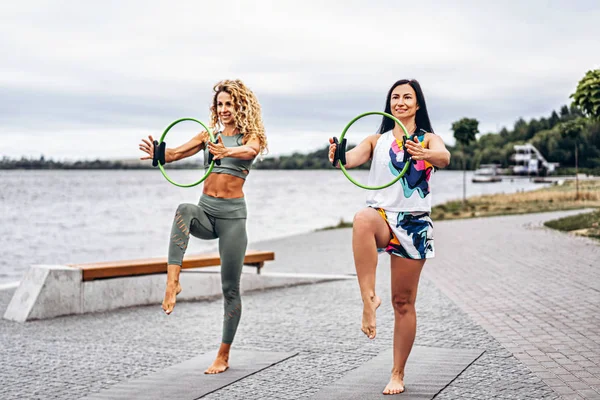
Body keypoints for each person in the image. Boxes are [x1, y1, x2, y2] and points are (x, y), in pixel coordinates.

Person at [328, 79, 450, 395]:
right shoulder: (377, 140)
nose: (400, 102)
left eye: (407, 97)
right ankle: (369, 298)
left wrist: (423, 151)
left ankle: (397, 373)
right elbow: (351, 159)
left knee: (403, 302)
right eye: (395, 97)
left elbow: (444, 158)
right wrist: (337, 153)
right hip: (382, 217)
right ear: (389, 103)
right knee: (362, 218)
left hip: (414, 224)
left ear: (418, 104)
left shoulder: (429, 138)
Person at [138, 79, 267, 374]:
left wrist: (226, 153)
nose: (223, 110)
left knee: (230, 288)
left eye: (229, 104)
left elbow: (250, 151)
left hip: (233, 218)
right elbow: (176, 154)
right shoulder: (209, 135)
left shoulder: (252, 135)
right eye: (219, 104)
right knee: (184, 210)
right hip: (206, 212)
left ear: (240, 106)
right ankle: (173, 281)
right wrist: (159, 152)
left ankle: (223, 354)